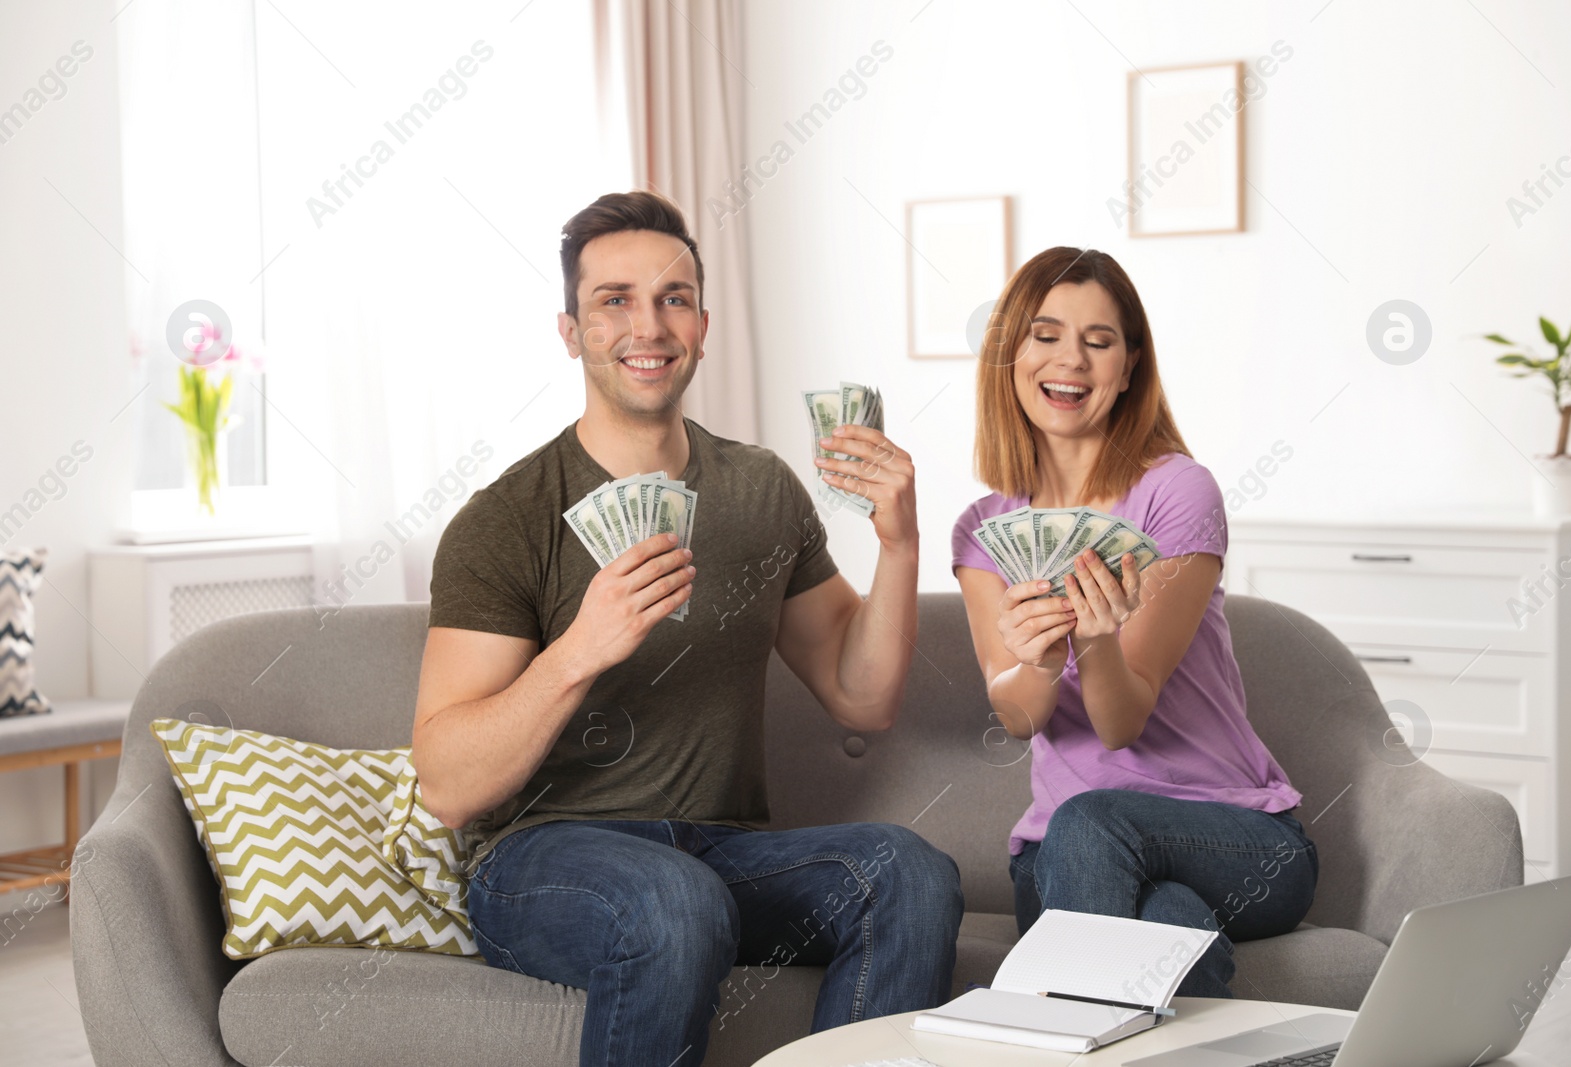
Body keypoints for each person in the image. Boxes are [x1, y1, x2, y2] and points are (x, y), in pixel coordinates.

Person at [413, 190, 963, 1066]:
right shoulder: (507, 516)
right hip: (543, 863)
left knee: (910, 873)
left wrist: (899, 543)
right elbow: (445, 782)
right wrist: (581, 649)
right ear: (570, 331)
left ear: (703, 324)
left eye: (673, 299)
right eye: (614, 300)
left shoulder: (760, 489)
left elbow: (861, 697)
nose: (649, 325)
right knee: (674, 899)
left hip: (722, 851)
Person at [950, 246, 1316, 998]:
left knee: (1092, 822)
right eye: (1046, 335)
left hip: (1237, 838)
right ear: (1010, 354)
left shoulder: (1179, 492)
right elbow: (1019, 713)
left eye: (1100, 340)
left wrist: (1095, 634)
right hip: (1058, 856)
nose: (1071, 360)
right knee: (1172, 921)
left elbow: (1121, 721)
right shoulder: (985, 530)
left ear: (1129, 365)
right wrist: (1043, 659)